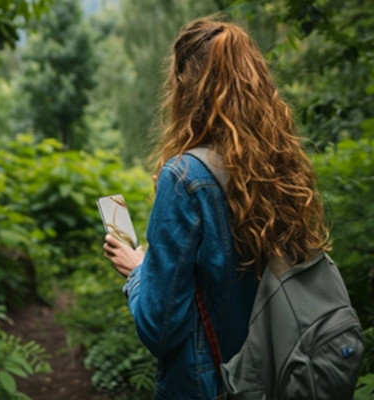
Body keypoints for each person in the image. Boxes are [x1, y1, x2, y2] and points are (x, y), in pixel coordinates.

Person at [103, 16, 330, 400]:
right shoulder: (280, 167)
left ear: (185, 86)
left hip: (210, 385)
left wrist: (137, 271)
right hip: (283, 373)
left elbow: (160, 329)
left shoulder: (184, 177)